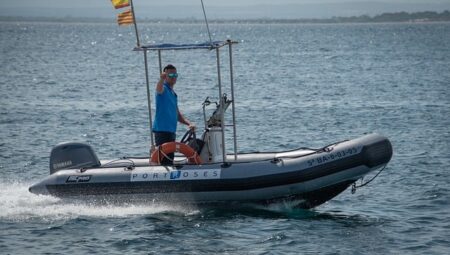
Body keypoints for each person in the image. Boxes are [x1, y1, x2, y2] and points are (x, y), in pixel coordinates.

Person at [153, 64, 195, 165]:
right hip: (162, 131)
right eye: (170, 75)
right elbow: (158, 89)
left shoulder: (173, 93)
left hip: (171, 131)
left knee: (169, 159)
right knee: (164, 160)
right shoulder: (163, 89)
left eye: (175, 75)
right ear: (165, 76)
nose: (173, 77)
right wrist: (161, 79)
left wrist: (189, 123)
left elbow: (178, 115)